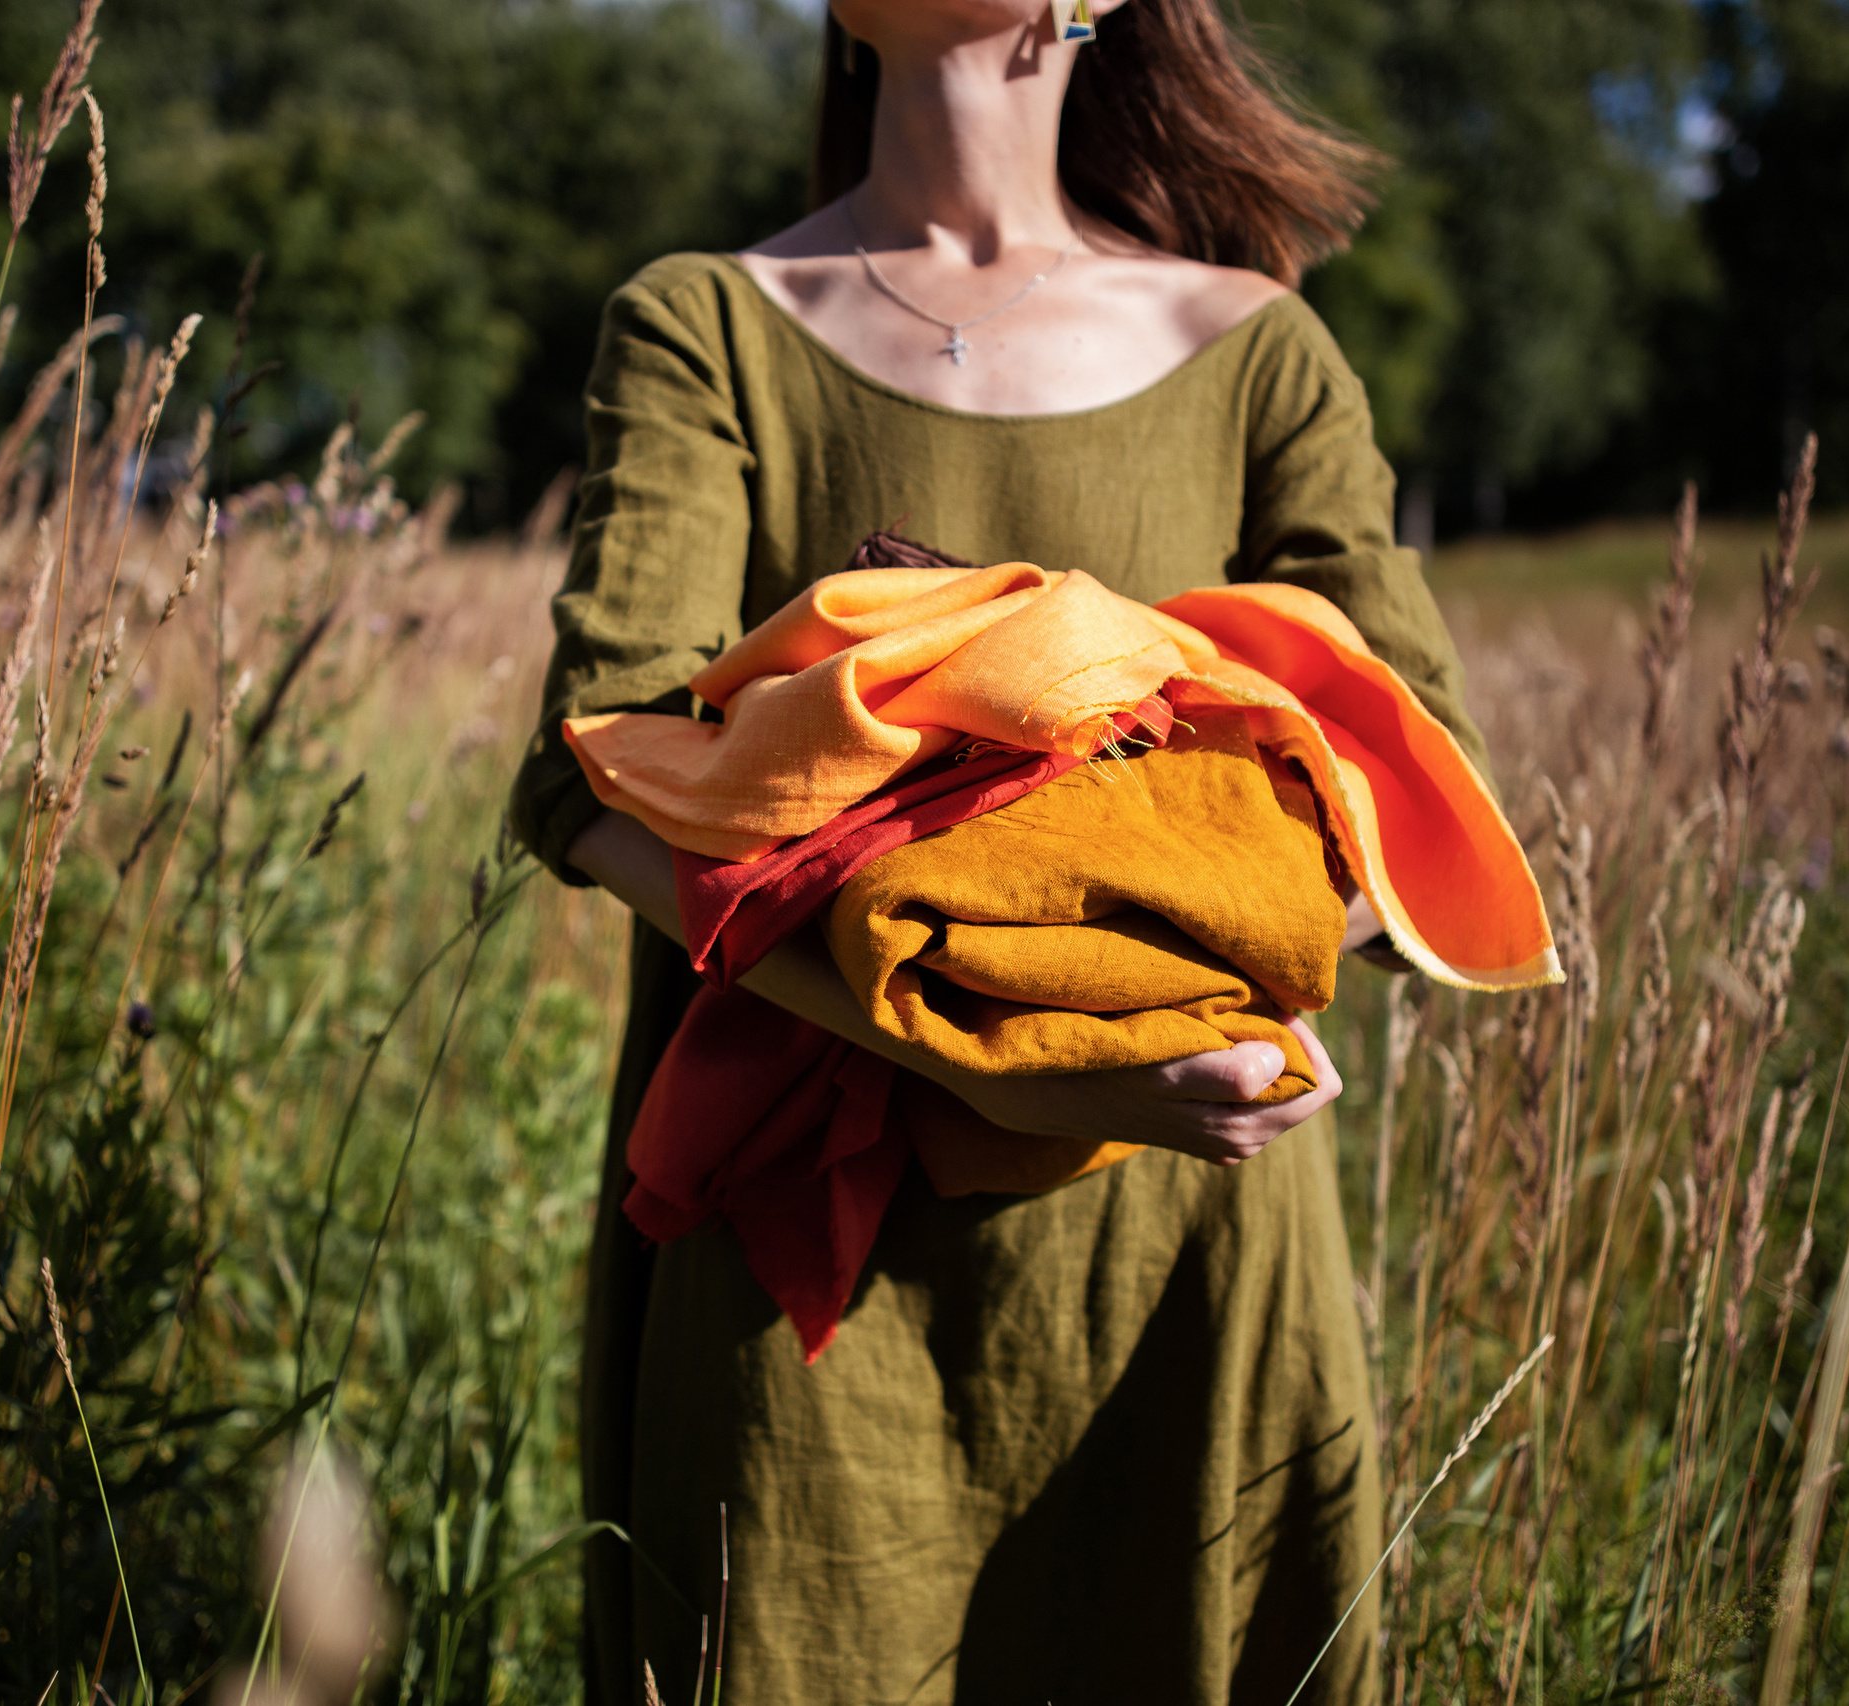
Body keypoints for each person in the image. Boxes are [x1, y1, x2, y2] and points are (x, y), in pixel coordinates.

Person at [506, 2, 1486, 1700]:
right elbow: (597, 773)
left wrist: (1131, 1032)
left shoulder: (1258, 351)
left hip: (1178, 1248)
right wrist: (987, 1059)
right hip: (799, 1270)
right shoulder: (709, 326)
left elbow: (1412, 789)